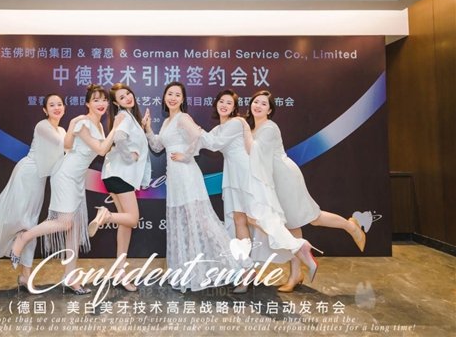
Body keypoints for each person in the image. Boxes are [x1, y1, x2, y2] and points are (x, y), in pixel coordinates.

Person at [242, 90, 366, 292]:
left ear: (270, 110)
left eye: (264, 104)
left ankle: (350, 227)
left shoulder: (269, 128)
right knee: (292, 226)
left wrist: (243, 129)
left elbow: (252, 151)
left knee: (312, 218)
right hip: (271, 180)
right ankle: (295, 274)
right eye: (256, 102)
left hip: (285, 177)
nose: (258, 106)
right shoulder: (254, 128)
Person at [200, 89, 322, 293]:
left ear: (235, 107)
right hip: (233, 176)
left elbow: (212, 143)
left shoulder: (236, 123)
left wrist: (188, 126)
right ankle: (246, 273)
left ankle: (297, 246)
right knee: (239, 220)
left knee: (256, 218)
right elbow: (204, 141)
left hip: (247, 174)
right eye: (221, 101)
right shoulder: (221, 127)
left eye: (229, 102)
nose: (224, 105)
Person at [9, 84, 124, 295]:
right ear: (87, 103)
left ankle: (70, 277)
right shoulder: (84, 122)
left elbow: (70, 144)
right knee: (65, 222)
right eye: (96, 100)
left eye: (104, 100)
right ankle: (23, 238)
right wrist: (115, 127)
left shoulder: (98, 127)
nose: (101, 104)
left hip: (77, 178)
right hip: (65, 175)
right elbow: (100, 149)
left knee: (75, 230)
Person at [143, 82, 256, 293]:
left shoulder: (183, 118)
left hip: (187, 175)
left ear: (183, 99)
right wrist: (148, 129)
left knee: (206, 223)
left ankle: (246, 266)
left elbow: (196, 136)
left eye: (177, 95)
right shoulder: (167, 121)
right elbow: (158, 146)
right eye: (170, 94)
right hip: (175, 178)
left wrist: (186, 156)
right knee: (186, 223)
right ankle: (189, 273)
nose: (173, 98)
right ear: (164, 97)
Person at [0, 93, 67, 293]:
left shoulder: (62, 130)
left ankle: (25, 276)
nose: (56, 107)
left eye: (59, 104)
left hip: (39, 180)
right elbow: (64, 144)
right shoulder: (43, 126)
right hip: (26, 175)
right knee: (11, 220)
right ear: (45, 110)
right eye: (52, 105)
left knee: (29, 225)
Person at [89, 83, 151, 292]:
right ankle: (105, 216)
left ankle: (119, 271)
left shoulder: (129, 118)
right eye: (122, 97)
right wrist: (129, 156)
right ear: (116, 103)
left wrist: (144, 127)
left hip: (114, 175)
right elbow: (119, 137)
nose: (127, 98)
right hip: (120, 175)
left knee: (125, 225)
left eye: (128, 94)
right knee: (132, 219)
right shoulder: (123, 116)